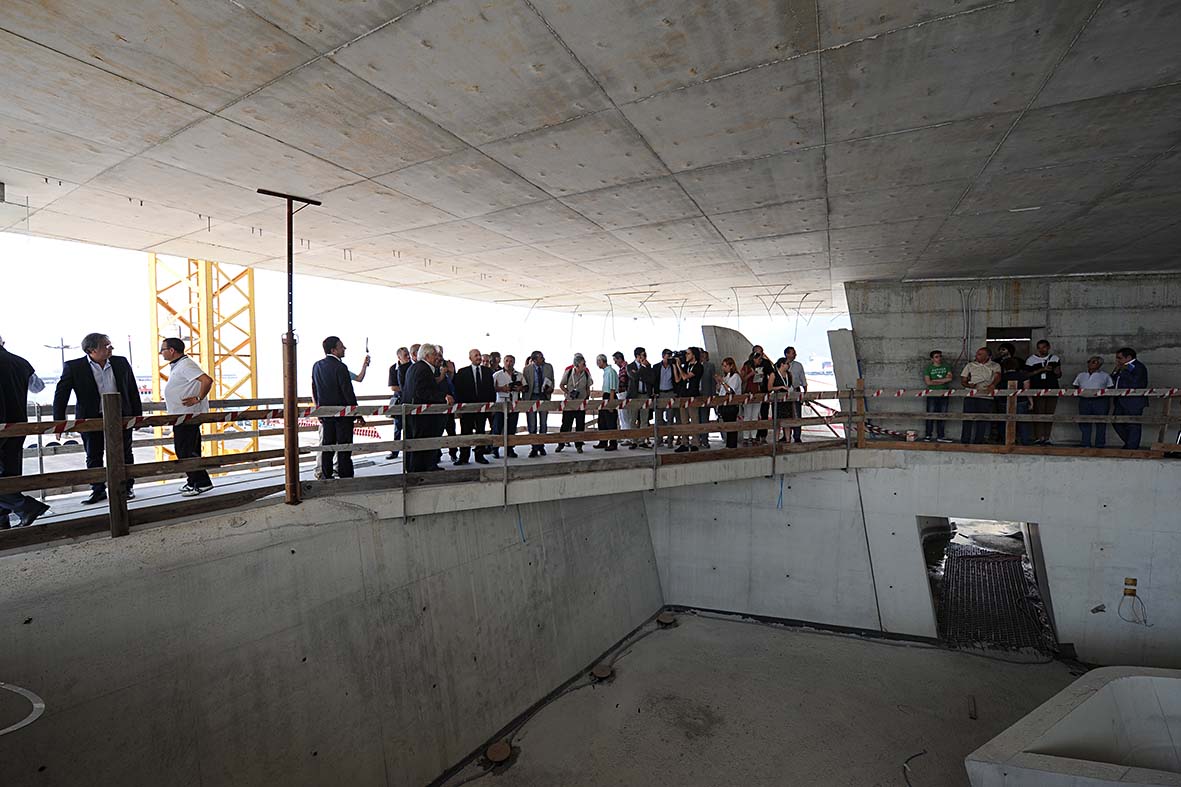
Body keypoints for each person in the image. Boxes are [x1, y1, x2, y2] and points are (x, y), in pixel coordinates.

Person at [53, 333, 142, 505]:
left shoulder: (121, 362)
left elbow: (132, 389)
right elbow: (61, 395)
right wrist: (59, 422)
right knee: (93, 455)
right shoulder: (74, 367)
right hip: (90, 419)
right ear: (92, 350)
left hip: (120, 417)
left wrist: (137, 416)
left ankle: (127, 487)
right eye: (106, 345)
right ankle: (98, 490)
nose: (111, 348)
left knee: (124, 453)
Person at [0, 336, 51, 527]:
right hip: (17, 426)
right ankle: (4, 521)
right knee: (10, 476)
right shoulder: (20, 362)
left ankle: (24, 506)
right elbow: (38, 387)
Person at [159, 338, 214, 496]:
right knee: (190, 449)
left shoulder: (185, 365)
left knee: (185, 451)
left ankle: (202, 482)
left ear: (172, 350)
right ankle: (193, 481)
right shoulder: (180, 365)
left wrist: (198, 398)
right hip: (182, 415)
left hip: (187, 416)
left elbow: (207, 380)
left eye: (162, 349)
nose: (160, 352)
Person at [312, 336, 362, 479]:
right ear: (333, 350)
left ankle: (326, 476)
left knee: (327, 447)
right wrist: (357, 413)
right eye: (341, 346)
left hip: (326, 415)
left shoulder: (317, 366)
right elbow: (348, 393)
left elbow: (315, 390)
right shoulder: (341, 367)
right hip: (343, 416)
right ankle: (345, 476)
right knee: (344, 448)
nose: (344, 348)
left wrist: (318, 411)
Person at [402, 342, 451, 472]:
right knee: (422, 442)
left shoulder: (415, 367)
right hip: (421, 416)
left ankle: (416, 468)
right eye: (435, 354)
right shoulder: (423, 369)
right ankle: (421, 470)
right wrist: (443, 397)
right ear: (427, 355)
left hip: (413, 414)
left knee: (415, 442)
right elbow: (422, 391)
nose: (437, 357)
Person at [453, 348, 495, 465]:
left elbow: (491, 390)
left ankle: (479, 456)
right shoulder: (462, 372)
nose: (478, 357)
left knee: (480, 432)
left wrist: (491, 407)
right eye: (476, 355)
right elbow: (458, 391)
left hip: (482, 408)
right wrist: (460, 408)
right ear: (470, 358)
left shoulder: (487, 371)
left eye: (479, 355)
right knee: (465, 432)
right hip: (467, 409)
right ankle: (464, 457)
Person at [1024, 340, 1062, 445]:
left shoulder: (1055, 358)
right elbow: (1026, 374)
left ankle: (1047, 437)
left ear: (1048, 347)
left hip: (1052, 389)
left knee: (1049, 414)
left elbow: (1059, 375)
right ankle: (1038, 437)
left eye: (1044, 347)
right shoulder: (1031, 360)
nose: (1041, 350)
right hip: (1037, 390)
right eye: (1039, 347)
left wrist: (1056, 371)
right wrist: (1041, 370)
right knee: (1039, 413)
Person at [960, 347, 1000, 445]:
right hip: (971, 394)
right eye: (977, 354)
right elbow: (963, 380)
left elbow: (998, 376)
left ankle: (979, 441)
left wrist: (993, 385)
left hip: (985, 396)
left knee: (982, 419)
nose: (977, 356)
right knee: (967, 418)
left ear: (988, 356)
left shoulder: (995, 365)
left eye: (980, 354)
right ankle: (965, 441)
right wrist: (968, 385)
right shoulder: (970, 365)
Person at [1073, 356, 1113, 448]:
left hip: (1100, 401)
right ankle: (1085, 443)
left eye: (1094, 362)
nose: (1090, 363)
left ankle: (1100, 444)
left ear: (1099, 364)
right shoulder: (1081, 375)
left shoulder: (1105, 375)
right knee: (1084, 422)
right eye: (1089, 361)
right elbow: (1075, 386)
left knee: (1101, 422)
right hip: (1084, 400)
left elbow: (1110, 388)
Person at [1112, 348, 1148, 450]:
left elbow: (1137, 382)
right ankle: (1129, 443)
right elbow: (1114, 379)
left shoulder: (1138, 367)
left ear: (1128, 357)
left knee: (1133, 424)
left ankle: (1132, 447)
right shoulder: (1121, 367)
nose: (1117, 360)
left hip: (1133, 401)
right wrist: (1116, 371)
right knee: (1116, 421)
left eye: (1120, 358)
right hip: (1120, 400)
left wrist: (1124, 370)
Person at [557, 353, 592, 453]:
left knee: (580, 425)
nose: (585, 365)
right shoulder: (568, 372)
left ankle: (579, 445)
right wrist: (569, 393)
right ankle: (561, 443)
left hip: (581, 403)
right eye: (583, 363)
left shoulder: (586, 373)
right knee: (565, 424)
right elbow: (561, 385)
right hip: (569, 403)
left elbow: (588, 386)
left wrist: (587, 398)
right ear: (577, 365)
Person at [491, 354, 523, 458]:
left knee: (512, 428)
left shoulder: (519, 374)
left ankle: (510, 449)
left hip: (514, 403)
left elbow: (525, 387)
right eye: (507, 361)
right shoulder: (497, 374)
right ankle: (494, 448)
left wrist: (520, 388)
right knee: (497, 427)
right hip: (501, 403)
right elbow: (491, 388)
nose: (509, 363)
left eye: (511, 361)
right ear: (504, 362)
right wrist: (502, 388)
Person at [524, 350, 555, 457]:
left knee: (543, 423)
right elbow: (525, 385)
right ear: (534, 360)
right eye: (540, 357)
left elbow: (552, 380)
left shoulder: (548, 367)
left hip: (544, 397)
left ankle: (541, 446)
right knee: (532, 424)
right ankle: (534, 447)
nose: (543, 359)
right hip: (532, 397)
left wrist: (550, 389)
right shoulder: (527, 369)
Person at [673, 348, 702, 452]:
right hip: (683, 395)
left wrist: (679, 366)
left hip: (692, 396)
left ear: (693, 355)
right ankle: (684, 443)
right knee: (683, 421)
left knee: (694, 420)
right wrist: (675, 366)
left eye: (688, 354)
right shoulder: (686, 366)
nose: (686, 356)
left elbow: (685, 377)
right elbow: (677, 379)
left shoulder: (698, 366)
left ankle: (695, 442)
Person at [626, 347, 654, 449]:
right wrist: (642, 368)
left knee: (644, 419)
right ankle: (634, 440)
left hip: (645, 394)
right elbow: (634, 377)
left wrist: (641, 373)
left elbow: (651, 379)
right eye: (643, 355)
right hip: (634, 395)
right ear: (638, 356)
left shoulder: (648, 366)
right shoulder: (630, 366)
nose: (645, 357)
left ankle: (642, 440)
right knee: (632, 418)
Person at [386, 346, 412, 459]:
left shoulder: (412, 366)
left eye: (408, 354)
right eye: (405, 355)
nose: (408, 357)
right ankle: (395, 451)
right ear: (399, 357)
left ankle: (410, 450)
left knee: (410, 427)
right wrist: (407, 389)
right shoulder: (393, 368)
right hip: (399, 400)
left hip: (410, 401)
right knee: (397, 428)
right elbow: (393, 387)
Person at [922, 350, 953, 441]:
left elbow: (950, 379)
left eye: (940, 356)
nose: (939, 358)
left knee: (942, 414)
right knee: (930, 414)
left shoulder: (946, 366)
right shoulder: (928, 368)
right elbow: (928, 382)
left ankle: (941, 435)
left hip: (944, 393)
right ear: (932, 359)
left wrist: (934, 381)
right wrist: (943, 380)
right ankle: (928, 435)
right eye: (936, 357)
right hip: (932, 393)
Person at [748, 346, 775, 443]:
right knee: (751, 415)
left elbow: (772, 374)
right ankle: (751, 435)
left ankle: (763, 435)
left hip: (763, 390)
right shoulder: (748, 364)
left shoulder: (766, 363)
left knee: (764, 413)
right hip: (752, 391)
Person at [715, 357, 742, 449]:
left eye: (725, 366)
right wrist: (719, 382)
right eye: (723, 366)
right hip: (724, 403)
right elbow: (720, 391)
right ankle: (728, 444)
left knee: (731, 425)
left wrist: (722, 382)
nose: (723, 368)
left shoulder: (735, 377)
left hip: (732, 404)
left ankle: (732, 445)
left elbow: (731, 390)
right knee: (727, 425)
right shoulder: (726, 377)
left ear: (731, 366)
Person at [594, 353, 619, 451]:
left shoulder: (610, 372)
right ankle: (603, 441)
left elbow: (612, 388)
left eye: (598, 361)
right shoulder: (606, 372)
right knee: (602, 420)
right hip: (605, 396)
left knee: (611, 421)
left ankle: (613, 443)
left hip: (610, 396)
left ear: (602, 361)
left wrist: (611, 404)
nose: (597, 364)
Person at [782, 346, 806, 443]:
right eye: (793, 353)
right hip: (784, 392)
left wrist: (805, 393)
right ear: (787, 354)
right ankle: (785, 435)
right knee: (785, 414)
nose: (795, 354)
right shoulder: (780, 364)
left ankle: (797, 436)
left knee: (797, 414)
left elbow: (803, 379)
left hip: (795, 390)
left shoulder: (798, 365)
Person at [655, 349, 679, 446]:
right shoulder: (657, 367)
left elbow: (677, 379)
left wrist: (674, 364)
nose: (669, 357)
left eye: (670, 355)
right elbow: (654, 380)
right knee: (659, 418)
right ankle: (659, 439)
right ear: (663, 356)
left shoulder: (673, 366)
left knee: (670, 417)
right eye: (668, 355)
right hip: (660, 393)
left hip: (670, 392)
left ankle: (670, 440)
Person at [739, 354, 760, 446]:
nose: (760, 361)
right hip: (747, 392)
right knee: (747, 415)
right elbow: (742, 379)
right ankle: (746, 437)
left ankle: (754, 436)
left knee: (755, 415)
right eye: (759, 359)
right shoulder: (746, 367)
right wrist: (750, 374)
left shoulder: (759, 368)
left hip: (757, 392)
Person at [697, 349, 716, 448]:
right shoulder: (695, 366)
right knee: (697, 418)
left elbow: (713, 382)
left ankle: (704, 439)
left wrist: (713, 395)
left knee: (704, 418)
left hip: (706, 394)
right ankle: (698, 438)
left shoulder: (710, 366)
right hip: (697, 394)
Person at [613, 352, 632, 446]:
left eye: (615, 360)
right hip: (621, 393)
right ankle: (625, 436)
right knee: (622, 415)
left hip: (624, 393)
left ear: (620, 359)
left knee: (625, 416)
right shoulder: (622, 368)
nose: (615, 362)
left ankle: (628, 437)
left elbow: (623, 381)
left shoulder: (625, 368)